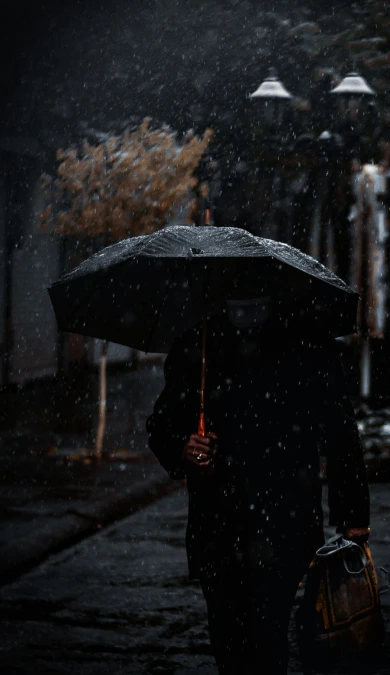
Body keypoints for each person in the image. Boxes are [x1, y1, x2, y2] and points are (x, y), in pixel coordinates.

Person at [146, 284, 370, 675]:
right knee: (229, 644)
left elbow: (339, 431)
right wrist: (185, 445)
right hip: (218, 523)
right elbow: (162, 422)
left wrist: (352, 514)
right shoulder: (198, 345)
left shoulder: (306, 342)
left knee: (268, 642)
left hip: (283, 520)